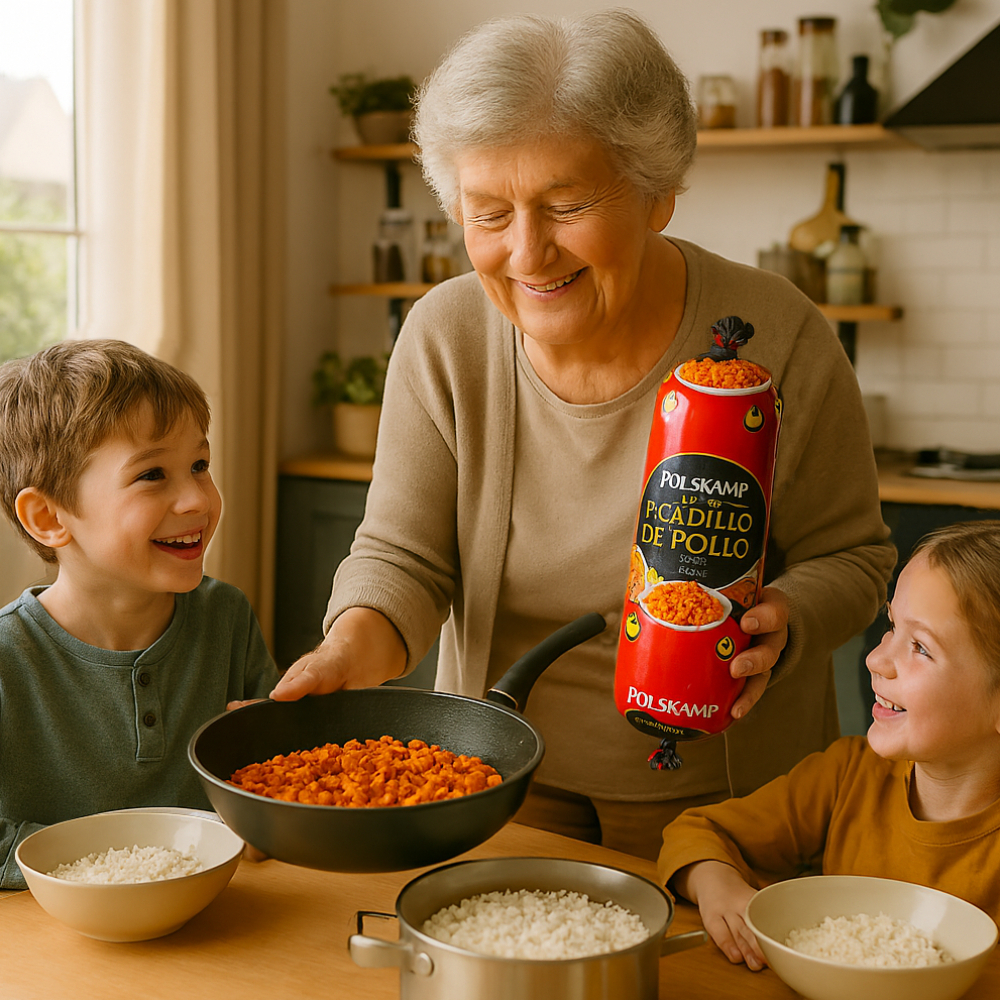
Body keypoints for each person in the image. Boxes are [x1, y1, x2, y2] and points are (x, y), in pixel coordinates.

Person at [271, 10, 894, 860]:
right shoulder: (445, 335)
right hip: (497, 777)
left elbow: (855, 558)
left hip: (729, 799)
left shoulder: (778, 336)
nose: (527, 252)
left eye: (566, 205)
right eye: (488, 213)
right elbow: (404, 559)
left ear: (658, 192)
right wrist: (347, 649)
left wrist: (788, 618)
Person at [0, 339, 279, 889]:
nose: (197, 498)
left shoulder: (226, 616)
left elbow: (271, 786)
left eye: (199, 464)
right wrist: (126, 866)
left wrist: (268, 799)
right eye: (153, 475)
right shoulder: (9, 659)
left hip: (218, 927)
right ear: (49, 516)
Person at [660, 520, 1000, 969]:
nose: (876, 659)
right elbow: (696, 833)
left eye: (919, 647)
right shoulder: (847, 776)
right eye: (891, 625)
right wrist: (714, 882)